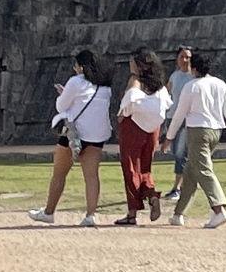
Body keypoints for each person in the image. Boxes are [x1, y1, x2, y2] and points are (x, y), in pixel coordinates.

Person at [29, 49, 112, 227]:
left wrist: (64, 94)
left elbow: (61, 106)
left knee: (59, 173)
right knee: (91, 176)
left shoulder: (76, 82)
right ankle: (90, 215)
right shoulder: (104, 86)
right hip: (96, 135)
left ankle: (49, 212)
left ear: (80, 67)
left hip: (75, 133)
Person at [164, 50, 226, 228]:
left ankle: (219, 209)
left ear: (194, 68)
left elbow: (179, 114)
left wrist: (169, 137)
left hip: (197, 132)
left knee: (203, 169)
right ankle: (178, 214)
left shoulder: (191, 86)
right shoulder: (221, 84)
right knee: (191, 171)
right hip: (216, 131)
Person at [114, 49, 171, 226]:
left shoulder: (135, 80)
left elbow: (130, 99)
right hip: (153, 127)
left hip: (133, 126)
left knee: (130, 166)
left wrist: (122, 114)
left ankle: (132, 211)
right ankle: (152, 195)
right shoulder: (158, 84)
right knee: (145, 166)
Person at [163, 46, 194, 202]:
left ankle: (178, 188)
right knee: (177, 153)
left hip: (187, 120)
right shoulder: (174, 76)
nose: (185, 60)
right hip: (172, 118)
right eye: (182, 56)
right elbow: (166, 94)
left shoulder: (194, 78)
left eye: (187, 57)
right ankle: (181, 187)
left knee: (181, 154)